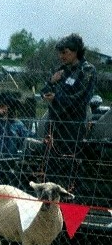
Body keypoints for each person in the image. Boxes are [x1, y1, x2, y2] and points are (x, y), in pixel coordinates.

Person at [40, 33, 97, 188]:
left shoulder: (87, 70)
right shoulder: (61, 70)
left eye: (64, 52)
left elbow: (80, 98)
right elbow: (43, 92)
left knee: (68, 166)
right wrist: (51, 81)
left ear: (76, 51)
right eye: (59, 52)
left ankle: (67, 202)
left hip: (72, 127)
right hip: (53, 126)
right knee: (50, 167)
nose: (61, 56)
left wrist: (56, 99)